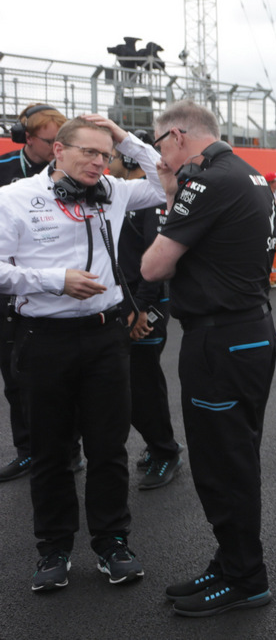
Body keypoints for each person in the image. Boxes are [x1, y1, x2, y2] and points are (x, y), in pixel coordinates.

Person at [0, 114, 164, 592]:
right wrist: (55, 281)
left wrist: (124, 136)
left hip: (105, 338)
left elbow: (164, 178)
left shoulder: (113, 190)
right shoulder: (14, 198)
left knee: (108, 448)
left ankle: (112, 542)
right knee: (50, 451)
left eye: (104, 153)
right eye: (88, 152)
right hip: (42, 338)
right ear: (58, 152)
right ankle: (53, 548)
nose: (99, 161)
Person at [141, 100, 276, 617]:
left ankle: (245, 576)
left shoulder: (208, 181)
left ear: (176, 137)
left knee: (223, 464)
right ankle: (231, 562)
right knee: (233, 457)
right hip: (247, 330)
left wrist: (175, 195)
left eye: (159, 146)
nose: (159, 158)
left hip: (221, 338)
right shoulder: (245, 173)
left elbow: (154, 266)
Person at [109, 133, 184, 490]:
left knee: (142, 383)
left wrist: (141, 309)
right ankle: (157, 445)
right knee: (126, 383)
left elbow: (157, 262)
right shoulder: (112, 195)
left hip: (146, 303)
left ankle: (165, 450)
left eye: (106, 157)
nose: (101, 165)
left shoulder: (148, 197)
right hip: (122, 302)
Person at [0, 103, 68, 483]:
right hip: (7, 287)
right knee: (13, 375)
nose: (58, 148)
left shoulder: (71, 173)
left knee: (61, 378)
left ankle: (66, 449)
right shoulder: (4, 172)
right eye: (50, 141)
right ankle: (27, 450)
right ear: (27, 138)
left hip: (53, 288)